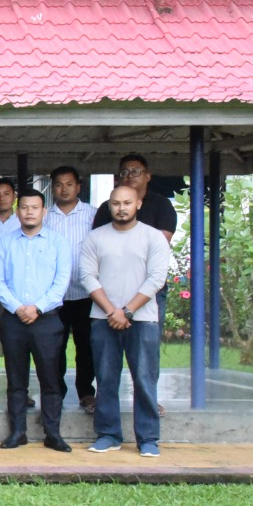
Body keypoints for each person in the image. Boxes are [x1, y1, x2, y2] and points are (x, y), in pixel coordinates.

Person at [82, 184, 171, 457]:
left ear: (138, 205)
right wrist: (113, 311)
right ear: (109, 206)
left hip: (142, 320)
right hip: (103, 319)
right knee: (106, 379)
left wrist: (127, 311)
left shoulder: (153, 237)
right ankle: (108, 434)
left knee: (144, 379)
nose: (121, 208)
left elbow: (156, 278)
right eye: (116, 203)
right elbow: (87, 277)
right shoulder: (95, 238)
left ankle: (148, 439)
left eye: (127, 203)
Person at [0, 189, 73, 452]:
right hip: (13, 320)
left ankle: (53, 433)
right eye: (24, 207)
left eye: (34, 207)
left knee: (51, 378)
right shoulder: (6, 242)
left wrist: (37, 307)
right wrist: (18, 308)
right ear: (18, 211)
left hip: (47, 320)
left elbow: (61, 282)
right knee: (16, 380)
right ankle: (17, 432)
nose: (29, 212)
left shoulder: (58, 242)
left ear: (43, 212)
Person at [92, 153, 177, 325]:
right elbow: (97, 247)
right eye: (124, 172)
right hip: (109, 293)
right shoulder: (106, 208)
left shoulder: (162, 205)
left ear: (148, 176)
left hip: (148, 290)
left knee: (145, 352)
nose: (130, 175)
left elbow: (159, 247)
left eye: (136, 171)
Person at [45, 166, 100, 412]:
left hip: (86, 293)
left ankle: (86, 393)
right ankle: (56, 392)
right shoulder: (44, 216)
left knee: (86, 346)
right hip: (54, 296)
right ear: (52, 187)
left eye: (69, 184)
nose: (64, 189)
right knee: (54, 348)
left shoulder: (94, 215)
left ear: (79, 186)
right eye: (58, 184)